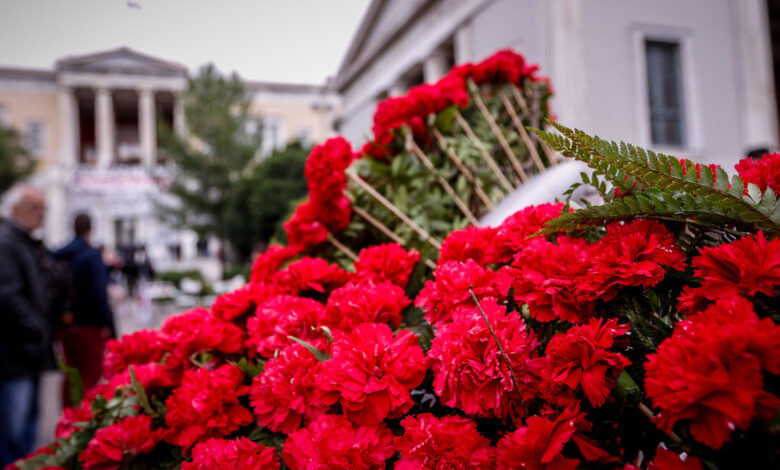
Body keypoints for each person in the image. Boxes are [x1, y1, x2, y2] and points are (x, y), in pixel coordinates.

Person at [0, 185, 54, 467]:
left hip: (28, 351)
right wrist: (36, 326)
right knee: (13, 430)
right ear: (16, 209)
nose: (42, 215)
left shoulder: (25, 242)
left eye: (44, 209)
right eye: (36, 208)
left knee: (26, 428)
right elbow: (7, 296)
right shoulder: (7, 242)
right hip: (14, 352)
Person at [54, 213, 115, 406]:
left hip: (65, 322)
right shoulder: (91, 255)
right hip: (89, 323)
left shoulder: (59, 255)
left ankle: (68, 416)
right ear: (90, 229)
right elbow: (99, 292)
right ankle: (85, 417)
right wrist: (106, 322)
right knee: (91, 373)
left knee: (71, 371)